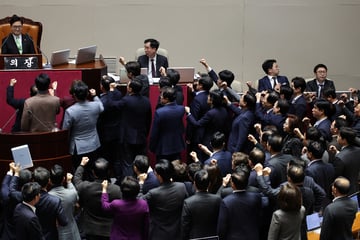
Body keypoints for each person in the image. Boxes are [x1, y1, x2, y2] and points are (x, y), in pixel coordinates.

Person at [73, 157, 122, 240]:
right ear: (109, 172)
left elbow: (77, 180)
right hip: (109, 230)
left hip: (91, 229)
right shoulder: (116, 190)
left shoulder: (86, 187)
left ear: (93, 172)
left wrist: (82, 165)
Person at [112, 79, 152, 178]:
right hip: (141, 136)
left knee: (127, 164)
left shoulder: (126, 100)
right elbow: (148, 120)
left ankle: (129, 184)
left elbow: (113, 105)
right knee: (141, 164)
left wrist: (112, 91)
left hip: (127, 137)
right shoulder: (146, 101)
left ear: (130, 89)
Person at [62, 80, 104, 172]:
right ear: (87, 93)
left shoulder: (70, 111)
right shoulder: (96, 106)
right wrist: (95, 96)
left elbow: (65, 130)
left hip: (78, 148)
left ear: (74, 95)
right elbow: (101, 106)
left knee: (79, 171)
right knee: (92, 170)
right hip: (94, 144)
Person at [141, 159, 188, 240]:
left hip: (159, 234)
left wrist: (141, 183)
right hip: (177, 232)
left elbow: (139, 202)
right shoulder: (181, 187)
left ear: (159, 176)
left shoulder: (154, 193)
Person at [217, 169, 262, 240]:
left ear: (232, 184)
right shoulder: (256, 197)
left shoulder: (226, 202)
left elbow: (222, 227)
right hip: (253, 236)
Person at [181, 169, 222, 240]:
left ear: (194, 184)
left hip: (195, 237)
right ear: (209, 184)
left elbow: (185, 226)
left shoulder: (188, 202)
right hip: (214, 237)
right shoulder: (217, 199)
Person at [97, 75, 123, 182]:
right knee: (117, 158)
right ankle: (119, 179)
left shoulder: (102, 101)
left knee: (106, 158)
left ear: (102, 87)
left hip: (105, 134)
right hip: (118, 131)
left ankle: (106, 179)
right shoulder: (118, 94)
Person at [150, 86, 185, 161]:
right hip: (177, 145)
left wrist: (152, 147)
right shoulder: (181, 109)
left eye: (161, 96)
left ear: (167, 99)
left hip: (163, 147)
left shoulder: (159, 112)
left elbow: (154, 133)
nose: (160, 97)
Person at [32, 167, 68, 240]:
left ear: (33, 181)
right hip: (50, 236)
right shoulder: (55, 201)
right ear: (49, 181)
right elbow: (64, 222)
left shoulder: (28, 198)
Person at [49, 164, 81, 240]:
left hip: (56, 232)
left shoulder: (48, 197)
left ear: (49, 180)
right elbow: (76, 196)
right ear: (63, 179)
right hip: (72, 229)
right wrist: (69, 182)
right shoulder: (72, 193)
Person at [1, 162, 32, 240]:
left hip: (7, 234)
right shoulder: (30, 197)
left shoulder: (6, 195)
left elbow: (4, 184)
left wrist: (12, 171)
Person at [331, 127, 360, 194]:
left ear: (344, 140)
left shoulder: (339, 158)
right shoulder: (358, 150)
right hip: (356, 187)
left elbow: (336, 178)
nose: (337, 137)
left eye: (339, 136)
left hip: (344, 191)